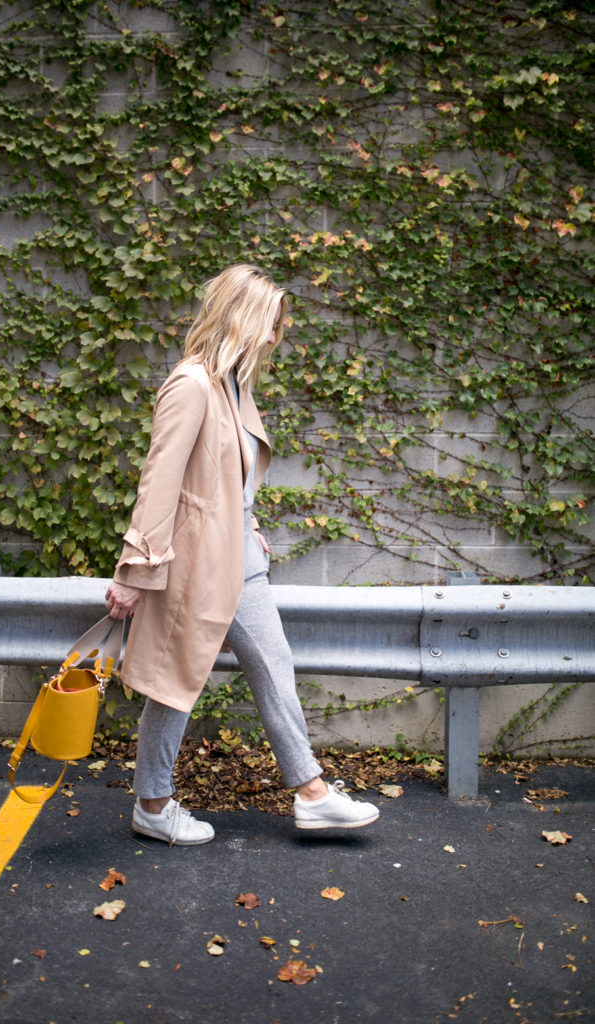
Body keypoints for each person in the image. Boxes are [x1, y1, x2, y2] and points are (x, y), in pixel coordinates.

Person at [105, 264, 380, 845]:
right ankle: (153, 805)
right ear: (243, 319)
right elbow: (161, 481)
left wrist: (248, 522)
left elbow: (230, 478)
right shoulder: (192, 383)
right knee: (176, 681)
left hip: (238, 557)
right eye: (272, 324)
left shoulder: (232, 385)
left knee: (273, 663)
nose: (278, 337)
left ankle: (312, 794)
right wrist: (134, 567)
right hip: (192, 562)